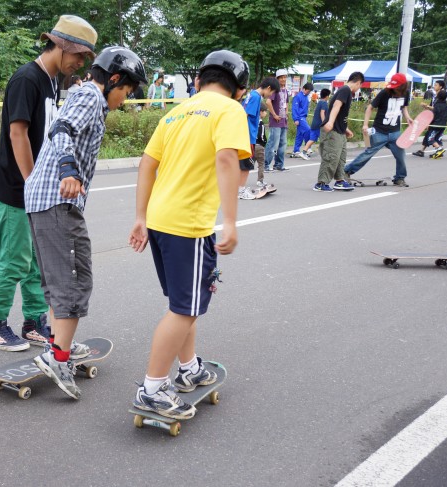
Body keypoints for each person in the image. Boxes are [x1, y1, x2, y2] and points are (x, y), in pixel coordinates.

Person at [128, 50, 250, 419]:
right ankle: (152, 389)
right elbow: (228, 160)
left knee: (186, 303)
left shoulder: (175, 112)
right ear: (240, 90)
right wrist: (230, 221)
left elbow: (148, 164)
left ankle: (189, 369)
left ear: (197, 82)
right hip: (189, 224)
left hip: (160, 220)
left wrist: (139, 216)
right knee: (185, 309)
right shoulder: (230, 110)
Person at [26, 46, 147, 399]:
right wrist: (68, 168)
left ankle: (57, 344)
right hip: (58, 200)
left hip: (42, 200)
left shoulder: (83, 94)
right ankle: (58, 357)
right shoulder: (91, 96)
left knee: (57, 279)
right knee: (77, 280)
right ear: (113, 79)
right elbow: (61, 129)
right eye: (126, 91)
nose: (124, 99)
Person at [0, 15, 97, 351]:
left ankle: (34, 321)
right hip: (13, 188)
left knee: (36, 261)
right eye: (78, 55)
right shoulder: (27, 78)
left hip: (31, 192)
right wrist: (32, 182)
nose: (79, 64)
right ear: (60, 47)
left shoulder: (51, 81)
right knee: (15, 259)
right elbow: (17, 133)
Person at [343, 73, 413, 187]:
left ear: (403, 86)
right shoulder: (385, 92)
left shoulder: (406, 93)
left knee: (401, 155)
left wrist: (408, 118)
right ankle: (347, 171)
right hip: (379, 131)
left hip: (395, 132)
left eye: (397, 86)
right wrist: (365, 125)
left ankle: (400, 178)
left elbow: (404, 107)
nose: (394, 88)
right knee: (368, 153)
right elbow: (370, 107)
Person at [313, 71, 364, 192]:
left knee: (341, 157)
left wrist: (346, 129)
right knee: (331, 157)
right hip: (333, 130)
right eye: (360, 85)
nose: (359, 88)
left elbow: (340, 114)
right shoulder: (345, 90)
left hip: (340, 130)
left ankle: (340, 181)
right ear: (358, 82)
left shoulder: (347, 92)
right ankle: (321, 183)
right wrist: (330, 122)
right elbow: (336, 105)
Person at [239, 77, 279, 199]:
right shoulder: (256, 97)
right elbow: (244, 115)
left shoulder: (251, 95)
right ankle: (240, 191)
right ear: (268, 88)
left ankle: (236, 188)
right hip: (248, 135)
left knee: (241, 164)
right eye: (271, 93)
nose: (269, 95)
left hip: (245, 134)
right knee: (247, 165)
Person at [264, 69, 290, 171]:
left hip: (284, 121)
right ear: (277, 78)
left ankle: (279, 164)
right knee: (273, 143)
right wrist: (274, 114)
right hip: (276, 121)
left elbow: (286, 102)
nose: (283, 79)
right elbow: (268, 102)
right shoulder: (275, 89)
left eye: (285, 77)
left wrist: (287, 112)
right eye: (281, 77)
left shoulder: (285, 90)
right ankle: (265, 165)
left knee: (283, 144)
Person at [413, 80, 446, 157]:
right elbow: (433, 107)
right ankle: (422, 151)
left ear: (440, 87)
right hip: (437, 119)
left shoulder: (442, 96)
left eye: (436, 85)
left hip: (437, 120)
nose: (434, 86)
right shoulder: (435, 96)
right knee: (429, 134)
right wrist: (426, 107)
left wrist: (427, 107)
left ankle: (439, 149)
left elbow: (437, 109)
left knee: (431, 136)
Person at [420, 89, 447, 159]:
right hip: (443, 124)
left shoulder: (437, 104)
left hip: (435, 124)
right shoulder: (446, 105)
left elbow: (433, 114)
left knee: (430, 139)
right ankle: (438, 152)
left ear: (438, 96)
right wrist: (428, 106)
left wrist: (428, 123)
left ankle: (439, 149)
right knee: (437, 139)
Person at [302, 88, 330, 156]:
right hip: (319, 125)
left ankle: (304, 152)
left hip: (314, 123)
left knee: (312, 139)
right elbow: (322, 113)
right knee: (325, 139)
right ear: (327, 96)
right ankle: (326, 154)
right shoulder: (324, 103)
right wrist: (324, 123)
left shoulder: (319, 102)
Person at [291, 82, 313, 159]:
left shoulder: (306, 97)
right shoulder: (298, 97)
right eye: (307, 91)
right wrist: (296, 119)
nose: (308, 93)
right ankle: (308, 147)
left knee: (300, 134)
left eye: (309, 92)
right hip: (300, 117)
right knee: (308, 130)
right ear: (303, 89)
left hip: (303, 117)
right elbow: (294, 108)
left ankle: (296, 150)